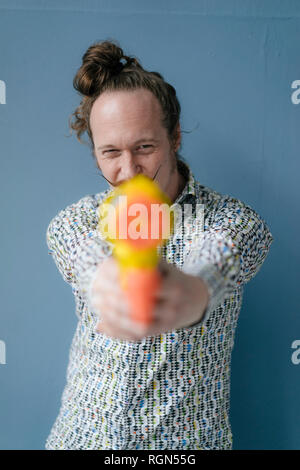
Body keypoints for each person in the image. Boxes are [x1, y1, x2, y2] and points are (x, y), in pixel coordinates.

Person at [45, 40, 273, 450]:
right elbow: (87, 261)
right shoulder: (75, 221)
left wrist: (191, 293)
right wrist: (108, 286)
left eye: (144, 147)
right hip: (81, 440)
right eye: (110, 152)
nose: (128, 169)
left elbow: (217, 263)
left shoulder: (232, 220)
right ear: (95, 152)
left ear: (175, 137)